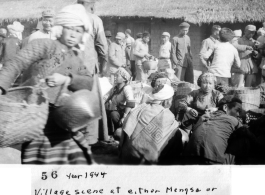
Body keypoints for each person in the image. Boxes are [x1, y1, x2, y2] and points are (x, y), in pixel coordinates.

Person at [0, 4, 95, 164]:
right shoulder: (44, 45)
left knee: (73, 164)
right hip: (35, 117)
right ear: (60, 28)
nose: (73, 35)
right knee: (37, 163)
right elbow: (17, 62)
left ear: (82, 36)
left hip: (64, 121)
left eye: (78, 31)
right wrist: (1, 86)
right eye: (69, 29)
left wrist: (67, 80)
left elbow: (89, 82)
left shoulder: (76, 58)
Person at [120, 84, 186, 165]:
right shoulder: (166, 115)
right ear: (166, 101)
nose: (171, 102)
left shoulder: (141, 107)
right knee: (177, 134)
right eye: (171, 100)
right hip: (145, 161)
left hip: (127, 156)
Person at [77, 0, 109, 144]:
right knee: (91, 102)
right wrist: (103, 68)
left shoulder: (70, 17)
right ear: (92, 5)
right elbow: (103, 48)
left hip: (70, 68)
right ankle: (90, 139)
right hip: (89, 68)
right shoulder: (95, 19)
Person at [184, 96, 243, 165]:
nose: (238, 114)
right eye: (237, 110)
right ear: (225, 107)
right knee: (244, 138)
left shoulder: (204, 117)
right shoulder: (232, 119)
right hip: (212, 162)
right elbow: (247, 133)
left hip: (187, 159)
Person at [105, 67, 135, 137]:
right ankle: (111, 131)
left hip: (126, 114)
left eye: (117, 76)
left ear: (124, 78)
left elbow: (130, 103)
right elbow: (105, 97)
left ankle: (120, 130)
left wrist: (124, 117)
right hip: (117, 111)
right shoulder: (114, 89)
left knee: (113, 114)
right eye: (115, 76)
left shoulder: (127, 88)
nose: (115, 77)